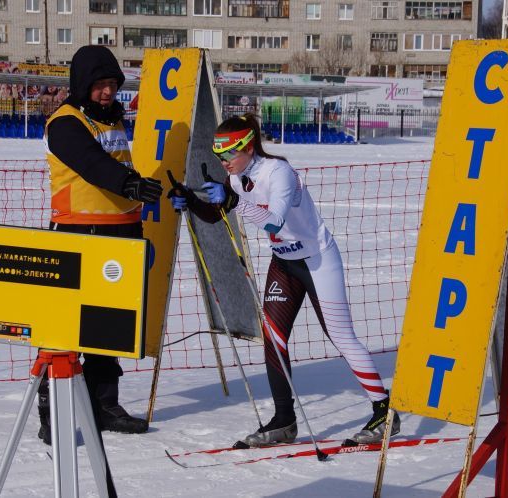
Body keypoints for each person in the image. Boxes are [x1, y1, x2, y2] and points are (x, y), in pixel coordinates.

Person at [167, 114, 400, 447]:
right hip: (285, 263)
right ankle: (284, 421)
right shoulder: (237, 176)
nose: (224, 163)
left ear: (248, 147)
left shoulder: (279, 173)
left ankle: (384, 412)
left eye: (229, 154)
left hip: (317, 260)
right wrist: (192, 201)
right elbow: (218, 214)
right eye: (219, 156)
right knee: (273, 338)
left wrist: (232, 200)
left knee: (341, 336)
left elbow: (274, 222)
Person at [37, 44, 163, 445]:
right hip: (78, 237)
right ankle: (51, 415)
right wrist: (129, 184)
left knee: (109, 329)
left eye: (112, 84)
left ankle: (104, 406)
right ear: (82, 84)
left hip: (121, 237)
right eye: (100, 85)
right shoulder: (65, 123)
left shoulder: (113, 121)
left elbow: (117, 164)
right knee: (63, 330)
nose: (108, 92)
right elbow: (91, 164)